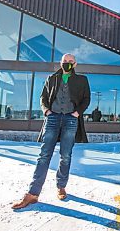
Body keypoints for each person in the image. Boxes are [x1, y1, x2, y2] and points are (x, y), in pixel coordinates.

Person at [12, 53, 90, 209]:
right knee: (44, 154)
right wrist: (46, 110)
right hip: (52, 118)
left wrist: (77, 113)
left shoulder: (82, 80)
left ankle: (61, 186)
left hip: (70, 119)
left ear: (75, 64)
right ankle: (33, 194)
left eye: (70, 61)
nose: (67, 63)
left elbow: (86, 99)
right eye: (64, 61)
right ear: (60, 63)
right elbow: (43, 97)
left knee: (65, 155)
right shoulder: (51, 78)